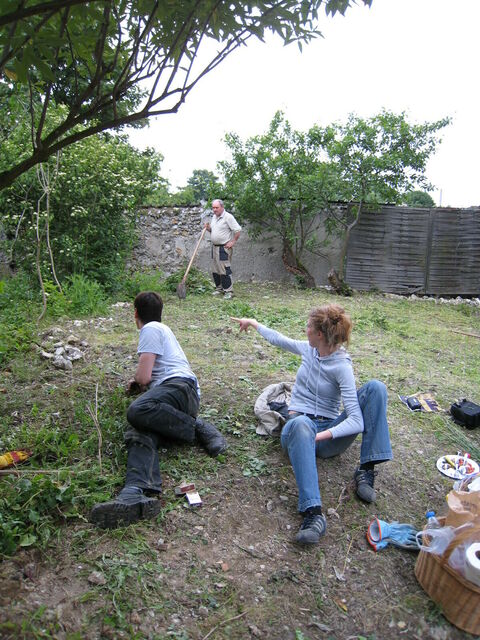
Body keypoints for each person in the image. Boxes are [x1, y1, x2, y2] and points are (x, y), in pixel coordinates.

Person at [231, 304, 392, 546]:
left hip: (326, 435)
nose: (305, 329)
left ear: (319, 334)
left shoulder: (342, 366)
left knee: (376, 389)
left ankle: (366, 468)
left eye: (308, 326)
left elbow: (356, 420)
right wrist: (253, 323)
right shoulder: (309, 350)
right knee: (302, 423)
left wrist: (322, 435)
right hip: (297, 428)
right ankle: (313, 514)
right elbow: (279, 340)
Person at [90, 291, 227, 529]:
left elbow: (144, 377)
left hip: (180, 389)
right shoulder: (162, 329)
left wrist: (138, 382)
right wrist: (141, 384)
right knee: (139, 429)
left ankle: (196, 427)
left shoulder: (151, 328)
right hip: (175, 397)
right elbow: (149, 377)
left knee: (137, 410)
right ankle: (134, 493)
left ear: (135, 313)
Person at [204, 199, 241, 299]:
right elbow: (214, 231)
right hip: (214, 247)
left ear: (222, 207)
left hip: (223, 248)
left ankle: (228, 291)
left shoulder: (228, 217)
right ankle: (219, 289)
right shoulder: (214, 217)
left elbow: (237, 230)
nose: (214, 210)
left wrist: (233, 241)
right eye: (213, 208)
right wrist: (208, 228)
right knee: (215, 269)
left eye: (217, 207)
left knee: (224, 269)